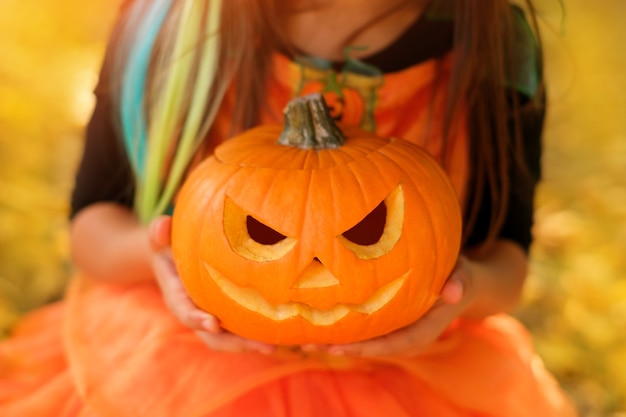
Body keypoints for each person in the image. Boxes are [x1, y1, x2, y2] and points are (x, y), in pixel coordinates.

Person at [0, 0, 577, 416]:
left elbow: (508, 262)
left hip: (412, 363)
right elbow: (91, 228)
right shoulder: (164, 21)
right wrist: (169, 253)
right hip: (182, 349)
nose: (314, 268)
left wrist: (464, 290)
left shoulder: (495, 45)